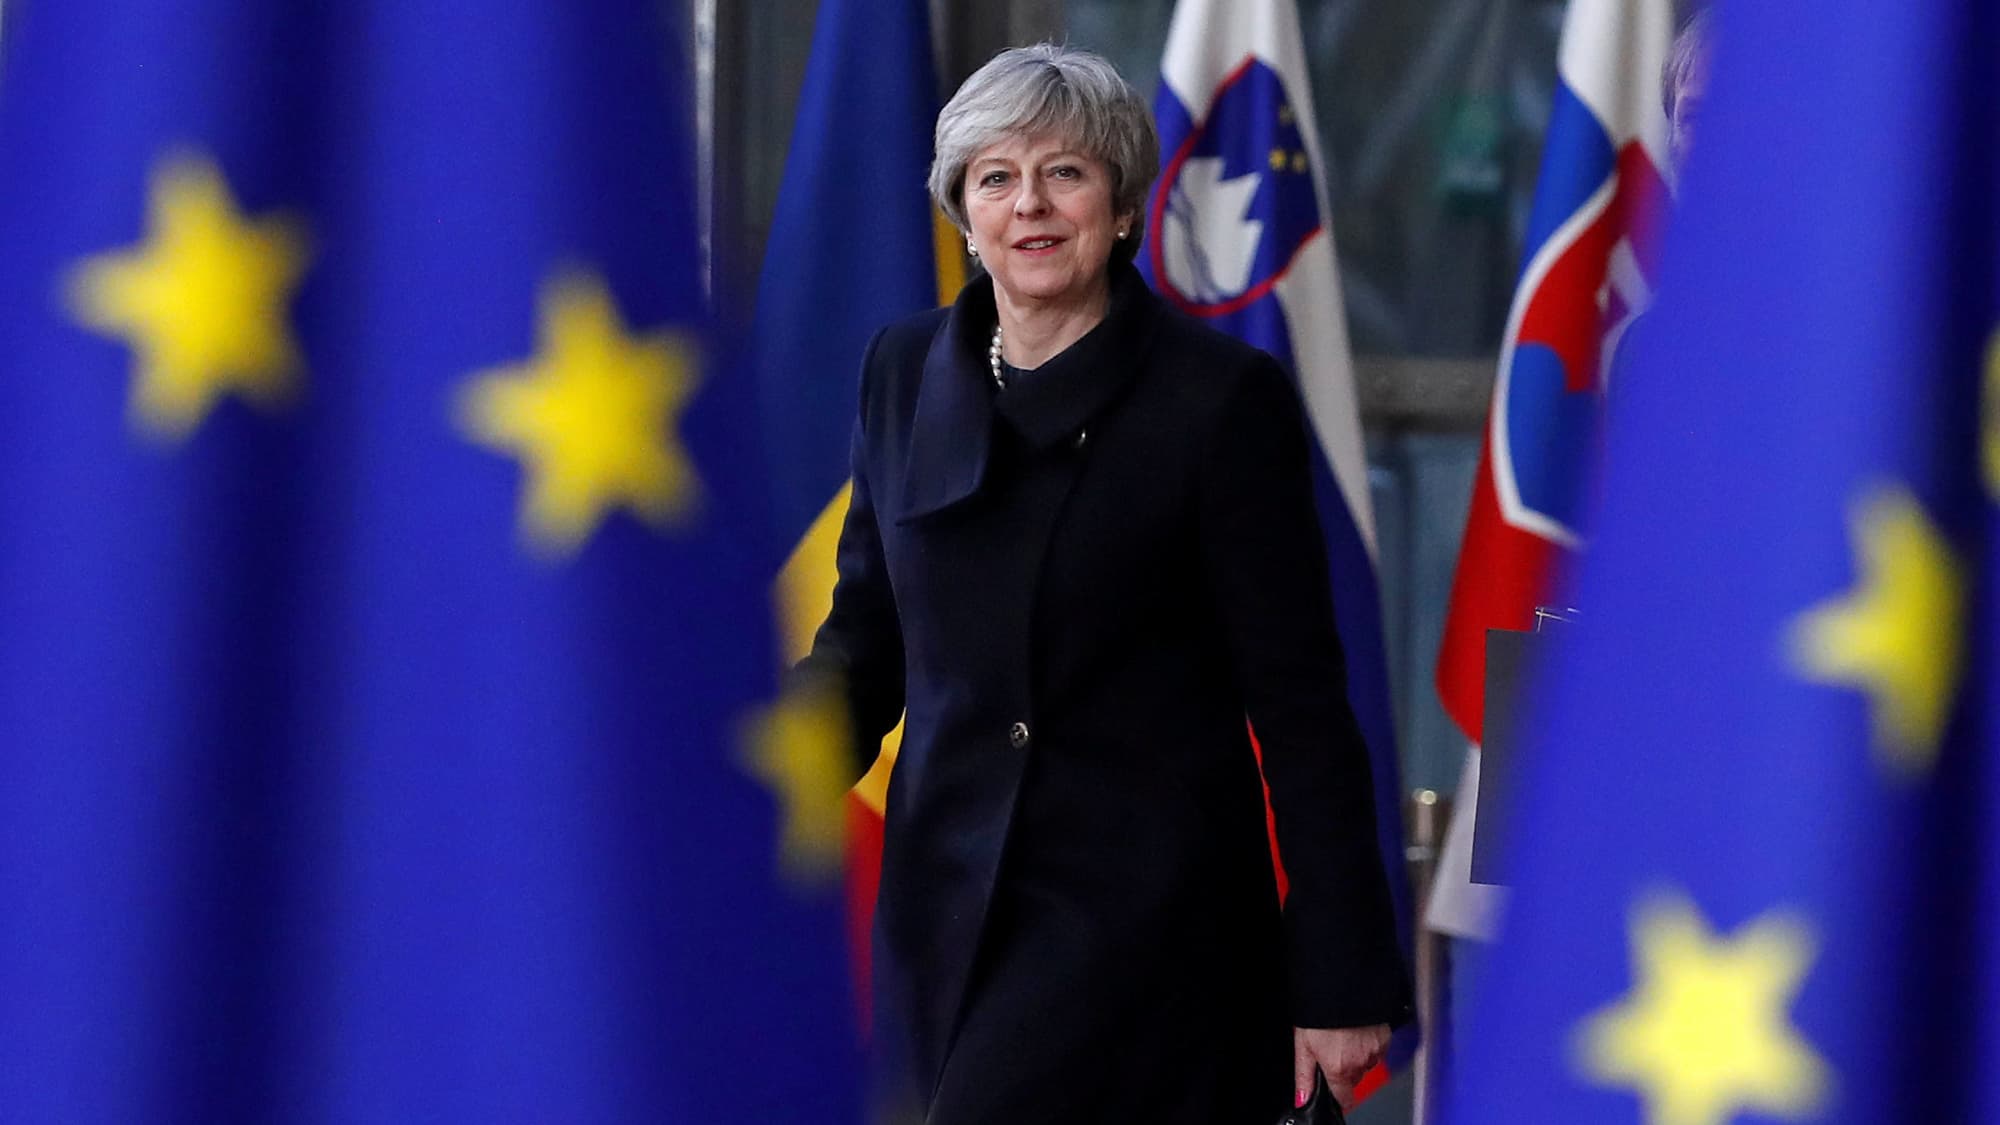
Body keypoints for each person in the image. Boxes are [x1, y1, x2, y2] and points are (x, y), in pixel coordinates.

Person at [796, 44, 1411, 1124]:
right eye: (995, 177)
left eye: (1064, 173)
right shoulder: (901, 371)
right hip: (944, 920)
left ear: (1122, 208)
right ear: (962, 213)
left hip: (1143, 934)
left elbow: (1305, 709)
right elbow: (863, 649)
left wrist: (1340, 976)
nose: (1028, 204)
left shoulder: (1220, 401)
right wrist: (743, 789)